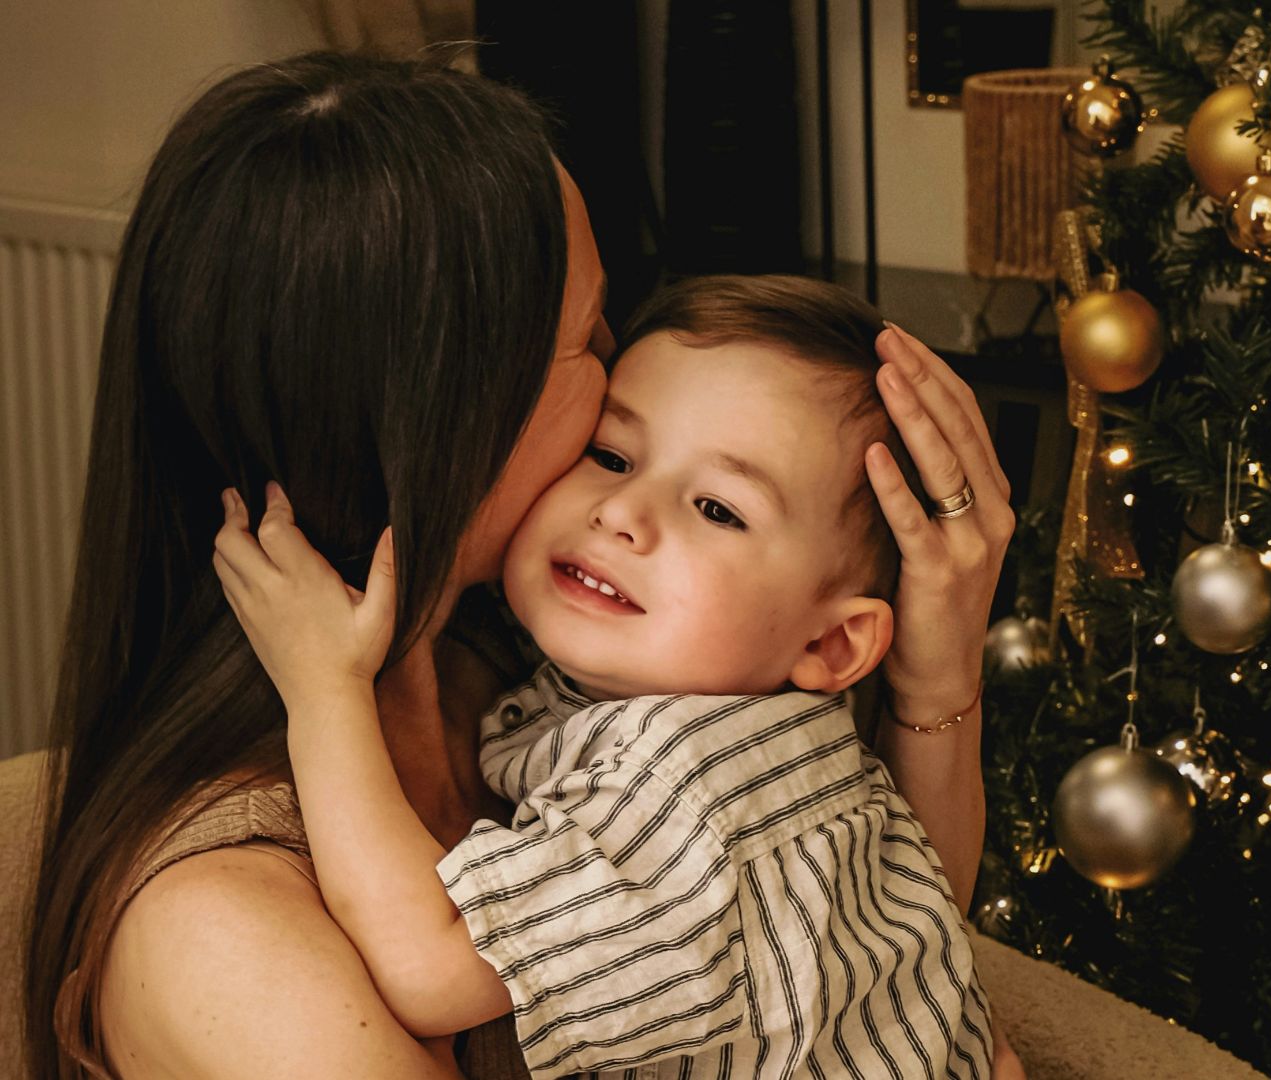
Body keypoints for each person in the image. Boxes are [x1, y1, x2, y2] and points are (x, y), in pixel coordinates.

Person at [25, 52, 1013, 1080]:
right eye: (586, 341)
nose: (629, 504)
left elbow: (868, 931)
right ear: (442, 424)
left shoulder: (538, 670)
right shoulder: (224, 939)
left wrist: (938, 675)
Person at [211, 276, 993, 1078]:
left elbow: (430, 970)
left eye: (718, 509)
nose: (622, 510)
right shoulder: (739, 722)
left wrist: (322, 687)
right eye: (612, 455)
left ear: (830, 646)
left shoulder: (689, 786)